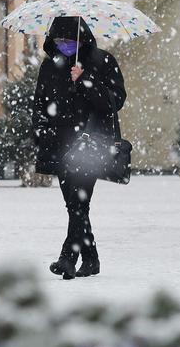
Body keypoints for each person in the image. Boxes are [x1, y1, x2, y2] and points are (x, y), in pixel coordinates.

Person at [32, 16, 127, 280]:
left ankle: (67, 258)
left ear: (81, 39)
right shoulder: (50, 66)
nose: (63, 45)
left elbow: (115, 101)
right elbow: (40, 104)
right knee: (75, 204)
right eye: (58, 41)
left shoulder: (103, 61)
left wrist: (86, 81)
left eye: (68, 41)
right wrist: (41, 133)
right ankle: (91, 258)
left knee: (78, 202)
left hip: (90, 145)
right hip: (60, 145)